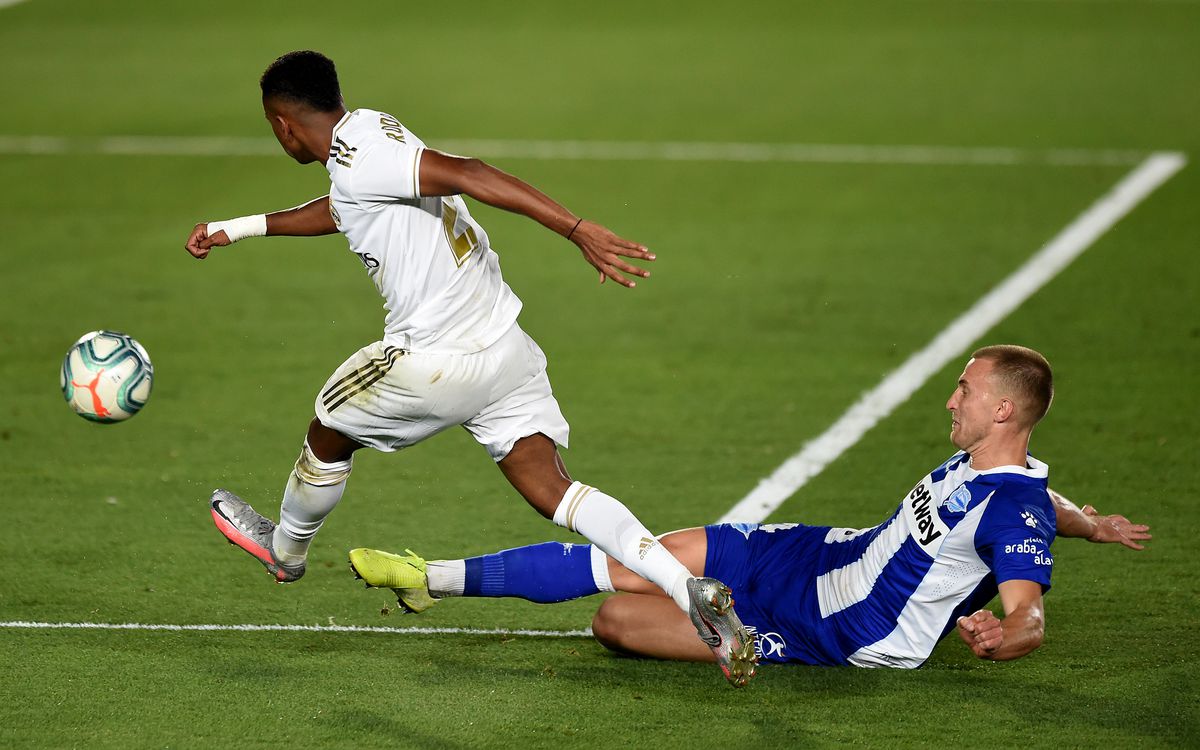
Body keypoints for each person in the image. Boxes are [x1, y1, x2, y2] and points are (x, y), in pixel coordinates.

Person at [184, 50, 755, 686]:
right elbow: (345, 207)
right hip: (504, 350)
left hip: (436, 358)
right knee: (556, 491)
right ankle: (687, 592)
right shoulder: (368, 139)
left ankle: (286, 551)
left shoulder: (364, 154)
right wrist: (239, 228)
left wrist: (575, 229)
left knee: (328, 424)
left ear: (284, 124)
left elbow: (470, 173)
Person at [349, 345, 1152, 668]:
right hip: (818, 553)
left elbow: (1029, 612)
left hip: (842, 627)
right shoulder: (1003, 475)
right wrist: (1099, 525)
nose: (952, 400)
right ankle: (432, 578)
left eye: (966, 391)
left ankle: (736, 633)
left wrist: (997, 637)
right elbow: (1043, 502)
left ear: (1005, 412)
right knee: (642, 558)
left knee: (613, 623)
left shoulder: (1012, 510)